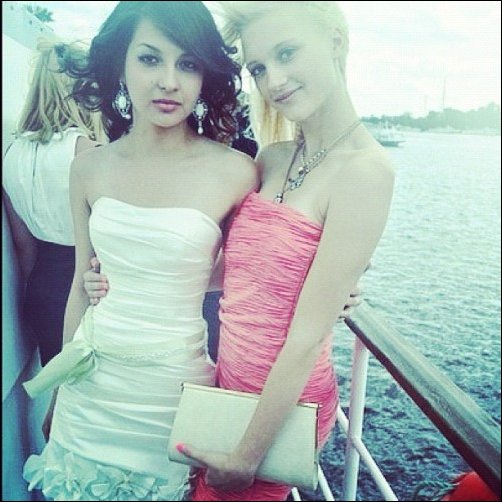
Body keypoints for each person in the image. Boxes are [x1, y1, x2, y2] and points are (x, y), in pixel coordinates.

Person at [83, 1, 392, 501]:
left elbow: (307, 335)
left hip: (280, 410)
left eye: (287, 53)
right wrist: (127, 273)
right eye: (259, 68)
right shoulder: (273, 158)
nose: (275, 81)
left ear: (335, 40)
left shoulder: (367, 171)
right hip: (227, 383)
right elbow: (240, 271)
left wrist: (247, 456)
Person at [21, 2, 259, 500]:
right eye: (150, 59)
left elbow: (251, 271)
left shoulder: (236, 172)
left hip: (171, 394)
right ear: (121, 63)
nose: (169, 82)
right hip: (91, 388)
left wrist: (333, 285)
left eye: (187, 64)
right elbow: (79, 286)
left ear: (204, 75)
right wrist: (60, 392)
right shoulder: (89, 167)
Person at [2, 37, 105, 369]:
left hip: (40, 292)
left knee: (57, 383)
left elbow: (24, 248)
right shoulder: (89, 152)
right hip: (88, 289)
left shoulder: (12, 153)